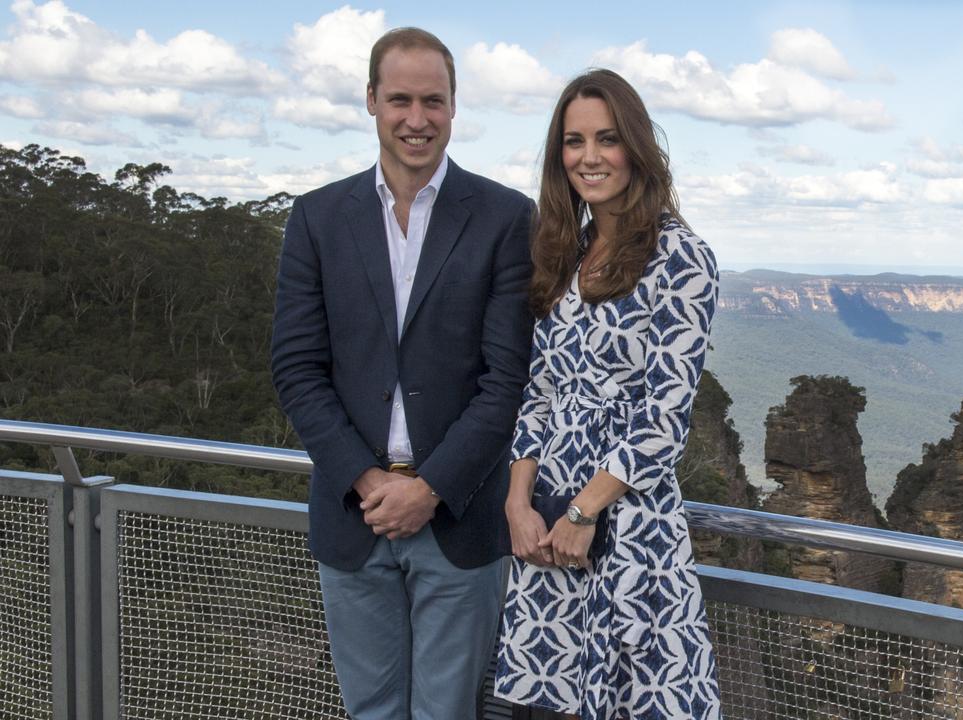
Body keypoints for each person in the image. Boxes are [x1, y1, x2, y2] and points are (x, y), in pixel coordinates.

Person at [270, 27, 535, 720]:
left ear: (453, 108)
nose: (416, 119)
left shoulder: (506, 218)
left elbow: (507, 379)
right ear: (370, 101)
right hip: (353, 518)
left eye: (433, 101)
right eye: (400, 100)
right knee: (372, 712)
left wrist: (430, 489)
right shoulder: (318, 218)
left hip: (459, 518)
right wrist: (369, 480)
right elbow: (297, 369)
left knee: (449, 712)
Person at [495, 69, 721, 719]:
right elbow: (538, 392)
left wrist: (583, 513)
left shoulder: (681, 257)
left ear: (638, 150)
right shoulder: (565, 252)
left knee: (626, 700)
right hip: (544, 525)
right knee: (550, 705)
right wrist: (518, 504)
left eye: (607, 139)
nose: (589, 157)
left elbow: (662, 417)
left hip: (623, 524)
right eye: (573, 141)